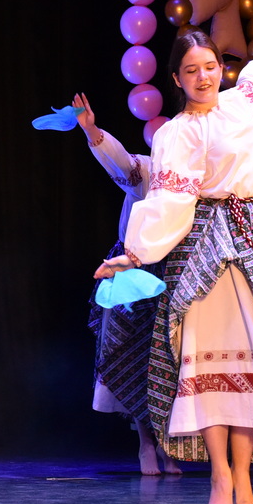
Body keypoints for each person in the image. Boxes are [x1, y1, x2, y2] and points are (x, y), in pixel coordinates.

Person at [96, 25, 253, 504]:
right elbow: (170, 199)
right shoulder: (174, 134)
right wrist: (135, 253)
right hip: (204, 238)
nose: (204, 77)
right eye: (191, 70)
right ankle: (220, 476)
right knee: (205, 358)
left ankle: (243, 476)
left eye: (210, 67)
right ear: (176, 78)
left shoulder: (241, 106)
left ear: (221, 69)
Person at [73, 92, 181, 477]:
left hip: (173, 274)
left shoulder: (192, 184)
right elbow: (121, 163)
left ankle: (168, 442)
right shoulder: (148, 173)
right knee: (135, 357)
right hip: (133, 274)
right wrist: (92, 131)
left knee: (168, 362)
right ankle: (146, 443)